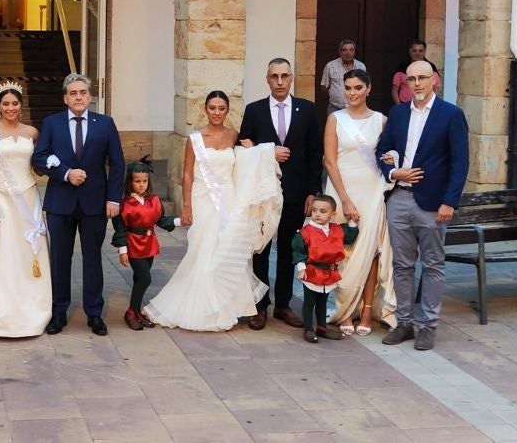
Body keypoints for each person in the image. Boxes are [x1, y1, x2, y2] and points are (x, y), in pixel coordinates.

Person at [145, 91, 283, 331]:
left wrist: (261, 151)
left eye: (221, 108)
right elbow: (187, 174)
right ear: (205, 109)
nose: (217, 112)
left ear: (227, 110)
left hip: (228, 199)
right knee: (202, 250)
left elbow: (247, 161)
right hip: (203, 198)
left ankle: (223, 308)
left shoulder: (234, 135)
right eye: (212, 108)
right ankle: (198, 308)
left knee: (225, 251)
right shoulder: (195, 138)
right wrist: (186, 206)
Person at [377, 60, 469, 351]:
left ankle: (428, 326)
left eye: (422, 78)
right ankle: (404, 323)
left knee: (433, 264)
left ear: (434, 80)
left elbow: (460, 163)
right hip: (399, 199)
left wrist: (449, 202)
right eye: (411, 79)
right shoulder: (398, 112)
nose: (416, 83)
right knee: (402, 265)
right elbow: (382, 150)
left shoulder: (451, 114)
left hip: (433, 203)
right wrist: (394, 172)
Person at [32, 73, 125, 336]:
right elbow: (39, 157)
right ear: (65, 98)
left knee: (93, 258)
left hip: (95, 203)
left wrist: (113, 198)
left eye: (82, 92)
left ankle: (94, 312)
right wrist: (65, 173)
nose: (78, 97)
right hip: (60, 203)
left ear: (90, 96)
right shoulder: (52, 123)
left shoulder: (105, 124)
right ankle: (58, 312)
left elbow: (117, 163)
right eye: (73, 93)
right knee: (60, 259)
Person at [239, 58, 323, 330]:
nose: (279, 81)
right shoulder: (254, 110)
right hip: (264, 193)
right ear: (267, 79)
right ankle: (260, 306)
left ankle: (283, 305)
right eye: (274, 76)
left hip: (297, 192)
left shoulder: (307, 110)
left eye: (284, 76)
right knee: (261, 249)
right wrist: (268, 152)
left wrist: (313, 191)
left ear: (291, 78)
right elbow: (243, 147)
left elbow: (315, 153)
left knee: (289, 249)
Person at [0, 81, 51, 337]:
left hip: (28, 197)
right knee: (3, 251)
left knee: (28, 250)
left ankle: (32, 308)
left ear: (20, 106)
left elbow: (37, 166)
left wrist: (50, 162)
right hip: (1, 198)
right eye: (6, 104)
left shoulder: (33, 132)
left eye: (15, 103)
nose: (10, 108)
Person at [323, 69, 398, 335]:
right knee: (343, 251)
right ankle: (345, 310)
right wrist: (344, 200)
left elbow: (390, 154)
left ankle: (366, 310)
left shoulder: (381, 120)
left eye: (357, 88)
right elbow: (330, 161)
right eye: (348, 88)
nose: (352, 93)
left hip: (372, 190)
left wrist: (392, 158)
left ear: (368, 89)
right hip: (341, 190)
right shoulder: (335, 119)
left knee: (371, 251)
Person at [111, 157, 179, 330]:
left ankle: (137, 312)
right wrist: (123, 250)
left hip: (149, 243)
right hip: (133, 244)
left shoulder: (154, 200)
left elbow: (162, 220)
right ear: (130, 182)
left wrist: (180, 221)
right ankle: (130, 312)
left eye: (145, 181)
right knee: (145, 278)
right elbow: (120, 228)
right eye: (137, 181)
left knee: (138, 278)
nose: (141, 185)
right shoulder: (124, 204)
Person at [292, 194, 359, 343]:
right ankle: (308, 329)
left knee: (322, 302)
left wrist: (352, 222)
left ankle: (322, 328)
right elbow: (299, 251)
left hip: (329, 273)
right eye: (314, 210)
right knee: (309, 302)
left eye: (322, 211)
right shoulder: (305, 232)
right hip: (312, 272)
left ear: (332, 214)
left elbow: (349, 237)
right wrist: (302, 268)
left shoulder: (337, 229)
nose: (317, 214)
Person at [319, 39, 365, 114]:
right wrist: (335, 95)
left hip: (355, 107)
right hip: (335, 108)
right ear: (340, 52)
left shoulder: (361, 66)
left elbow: (364, 86)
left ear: (354, 52)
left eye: (351, 50)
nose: (348, 53)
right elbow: (324, 86)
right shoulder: (330, 66)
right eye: (344, 50)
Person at [391, 40, 441, 104]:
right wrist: (399, 106)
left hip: (426, 105)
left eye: (420, 51)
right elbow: (394, 90)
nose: (417, 53)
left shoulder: (431, 68)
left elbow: (436, 88)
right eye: (414, 51)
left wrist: (432, 104)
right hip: (405, 105)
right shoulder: (402, 67)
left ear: (425, 51)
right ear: (410, 51)